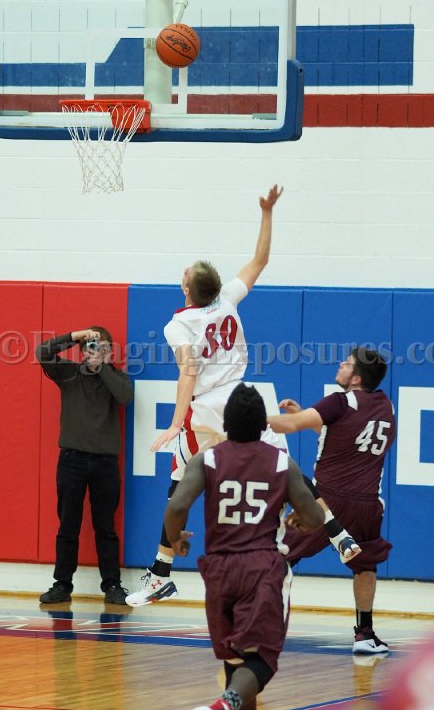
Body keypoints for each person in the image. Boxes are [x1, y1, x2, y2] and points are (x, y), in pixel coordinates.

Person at [126, 186, 359, 607]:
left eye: (185, 272)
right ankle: (338, 532)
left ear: (187, 289)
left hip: (207, 409)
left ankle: (160, 574)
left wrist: (176, 423)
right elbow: (260, 261)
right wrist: (267, 213)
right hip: (244, 399)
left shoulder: (178, 325)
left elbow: (189, 371)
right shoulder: (227, 299)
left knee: (179, 486)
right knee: (286, 469)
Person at [163, 383, 326, 710]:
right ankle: (226, 703)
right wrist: (300, 520)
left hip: (219, 568)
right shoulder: (280, 463)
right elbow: (316, 517)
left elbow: (177, 505)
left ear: (225, 423)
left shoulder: (207, 459)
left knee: (235, 659)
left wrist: (176, 537)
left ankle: (229, 703)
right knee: (262, 659)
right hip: (261, 567)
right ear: (264, 425)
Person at [267, 347, 396, 654]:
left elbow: (288, 426)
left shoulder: (339, 401)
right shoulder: (385, 406)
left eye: (347, 364)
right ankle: (365, 635)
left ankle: (261, 625)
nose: (340, 365)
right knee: (365, 566)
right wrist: (306, 414)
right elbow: (345, 433)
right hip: (367, 504)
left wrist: (242, 418)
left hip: (327, 501)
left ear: (356, 378)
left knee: (277, 556)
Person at [36, 327, 133, 605]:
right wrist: (75, 335)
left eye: (104, 347)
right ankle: (62, 584)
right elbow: (42, 352)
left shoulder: (117, 377)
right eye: (92, 346)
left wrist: (100, 367)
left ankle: (112, 585)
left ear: (110, 351)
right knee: (68, 526)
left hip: (105, 463)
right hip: (72, 460)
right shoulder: (69, 373)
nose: (98, 351)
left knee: (106, 527)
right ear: (82, 349)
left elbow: (124, 397)